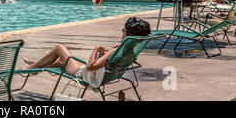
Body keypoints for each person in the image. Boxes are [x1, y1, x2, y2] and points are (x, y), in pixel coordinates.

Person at [21, 17, 151, 88]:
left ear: (127, 33)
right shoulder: (131, 50)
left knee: (59, 48)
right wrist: (105, 54)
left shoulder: (117, 48)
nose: (122, 31)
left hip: (87, 75)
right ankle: (36, 65)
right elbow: (112, 61)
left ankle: (31, 68)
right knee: (61, 61)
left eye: (124, 30)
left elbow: (90, 66)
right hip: (102, 75)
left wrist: (96, 49)